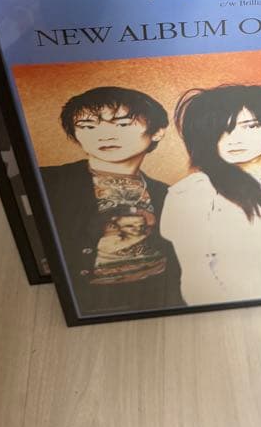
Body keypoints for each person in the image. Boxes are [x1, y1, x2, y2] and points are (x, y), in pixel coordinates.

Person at [40, 85, 183, 314]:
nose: (104, 135)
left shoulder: (170, 194)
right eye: (88, 126)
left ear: (157, 131)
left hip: (155, 300)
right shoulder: (47, 181)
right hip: (82, 303)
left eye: (122, 124)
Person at [160, 84, 261, 306]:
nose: (234, 139)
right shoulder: (195, 191)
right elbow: (196, 278)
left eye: (250, 126)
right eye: (221, 130)